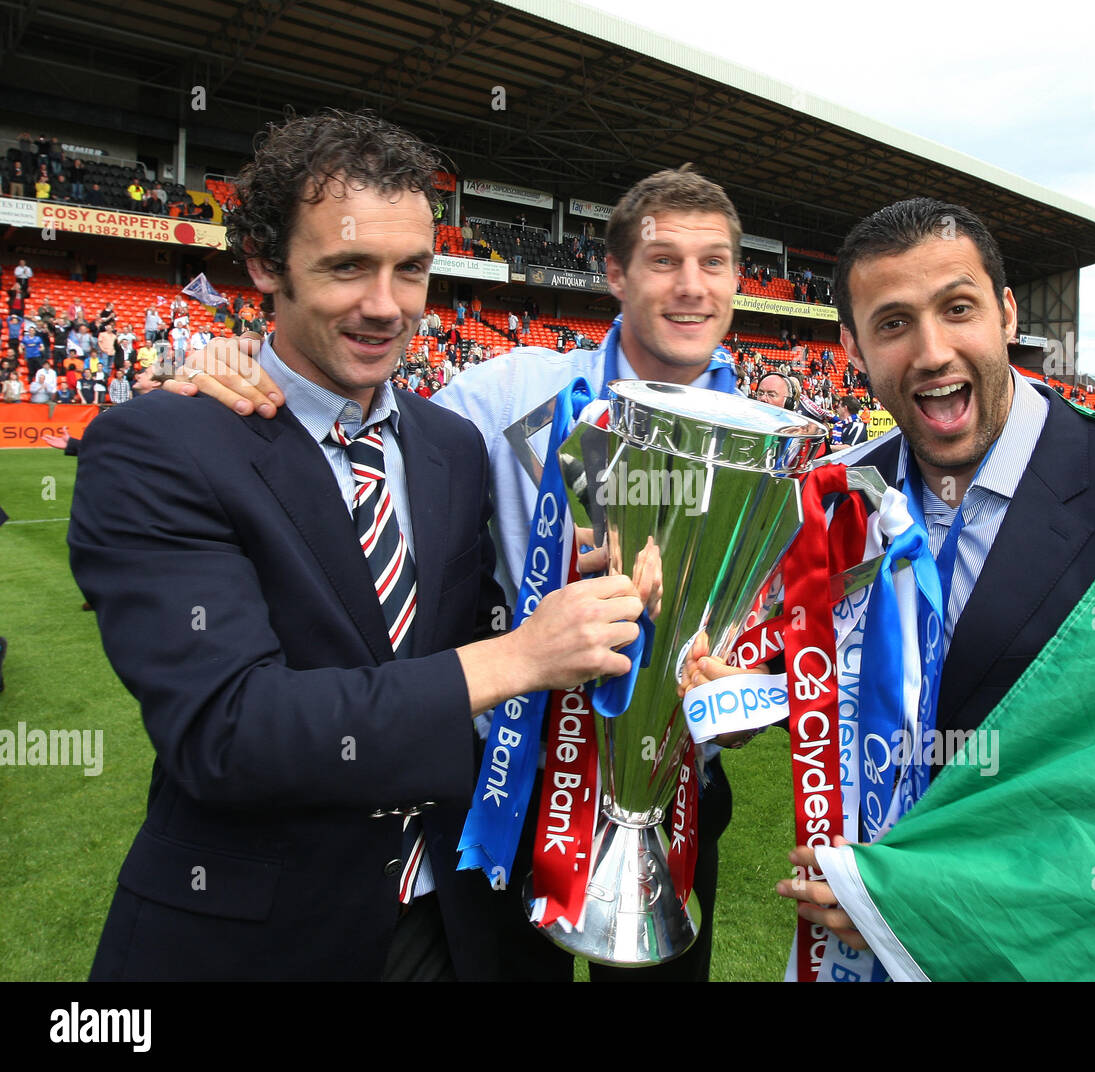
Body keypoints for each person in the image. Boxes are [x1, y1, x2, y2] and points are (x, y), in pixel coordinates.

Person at [68, 109, 647, 983]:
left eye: (410, 269)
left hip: (466, 926)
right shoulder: (160, 446)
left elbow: (470, 624)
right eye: (347, 267)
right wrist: (518, 657)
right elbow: (230, 732)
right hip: (264, 940)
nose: (386, 305)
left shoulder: (450, 444)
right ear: (265, 264)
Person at [688, 196, 1095, 981]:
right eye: (893, 323)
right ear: (852, 347)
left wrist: (922, 902)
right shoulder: (833, 500)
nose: (933, 351)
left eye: (959, 308)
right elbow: (841, 687)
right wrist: (749, 700)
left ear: (1007, 314)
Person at [173, 164, 746, 983]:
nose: (691, 286)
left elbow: (780, 625)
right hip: (516, 786)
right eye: (664, 261)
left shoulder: (779, 441)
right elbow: (352, 407)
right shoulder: (513, 391)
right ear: (616, 273)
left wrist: (743, 696)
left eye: (715, 261)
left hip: (674, 789)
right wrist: (232, 356)